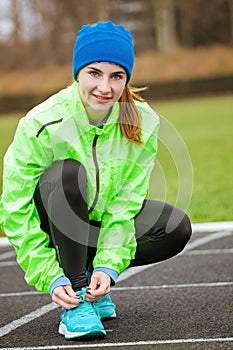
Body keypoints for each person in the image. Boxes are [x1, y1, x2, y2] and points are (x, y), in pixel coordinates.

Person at [0, 21, 192, 340]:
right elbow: (14, 208)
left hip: (96, 227)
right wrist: (50, 276)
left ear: (127, 78)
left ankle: (92, 281)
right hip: (52, 225)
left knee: (175, 226)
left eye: (116, 76)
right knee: (65, 174)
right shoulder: (41, 122)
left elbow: (123, 205)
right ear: (78, 73)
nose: (105, 87)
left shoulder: (143, 122)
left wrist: (107, 265)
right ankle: (75, 298)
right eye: (94, 73)